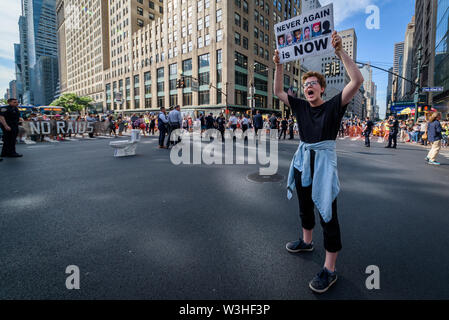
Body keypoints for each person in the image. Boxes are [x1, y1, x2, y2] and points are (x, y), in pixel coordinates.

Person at [273, 30, 364, 293]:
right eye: (305, 84)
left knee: (328, 214)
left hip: (323, 165)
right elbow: (278, 90)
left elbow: (356, 80)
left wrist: (340, 52)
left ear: (321, 88)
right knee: (304, 205)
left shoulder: (334, 105)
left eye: (313, 83)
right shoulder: (300, 106)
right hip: (303, 162)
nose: (308, 86)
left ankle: (330, 270)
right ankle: (306, 241)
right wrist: (279, 65)